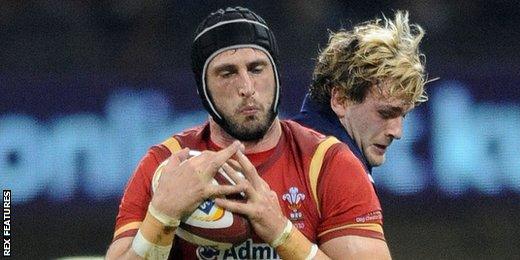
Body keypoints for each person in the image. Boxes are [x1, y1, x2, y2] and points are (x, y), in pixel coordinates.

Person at [106, 7, 390, 260]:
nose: (247, 87)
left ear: (276, 76)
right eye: (227, 73)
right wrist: (161, 216)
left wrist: (282, 234)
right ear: (202, 90)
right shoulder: (164, 166)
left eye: (256, 69)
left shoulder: (328, 162)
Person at [292, 10, 429, 175]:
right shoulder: (342, 173)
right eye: (385, 113)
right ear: (341, 100)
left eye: (403, 116)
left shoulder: (286, 148)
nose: (397, 132)